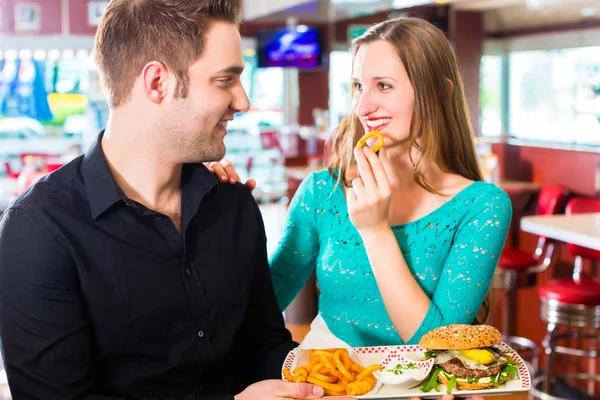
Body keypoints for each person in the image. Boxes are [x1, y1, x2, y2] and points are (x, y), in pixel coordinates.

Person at [0, 1, 353, 399]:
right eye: (225, 80)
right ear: (157, 83)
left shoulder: (233, 204)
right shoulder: (40, 230)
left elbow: (263, 344)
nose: (243, 102)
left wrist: (338, 380)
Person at [210, 17, 512, 348]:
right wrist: (222, 222)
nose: (363, 107)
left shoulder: (482, 205)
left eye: (383, 86)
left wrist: (375, 230)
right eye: (357, 86)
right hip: (329, 388)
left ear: (439, 92)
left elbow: (439, 342)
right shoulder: (322, 191)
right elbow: (261, 306)